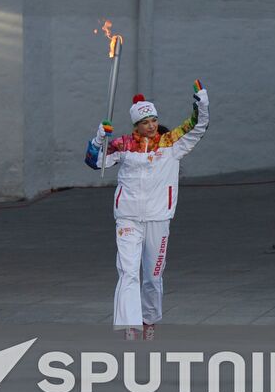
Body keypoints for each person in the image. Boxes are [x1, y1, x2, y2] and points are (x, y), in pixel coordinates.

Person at [85, 81, 209, 339]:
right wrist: (99, 139)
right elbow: (94, 162)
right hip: (128, 218)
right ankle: (130, 324)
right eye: (145, 122)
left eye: (154, 120)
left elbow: (197, 126)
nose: (151, 125)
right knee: (128, 272)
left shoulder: (171, 144)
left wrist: (202, 104)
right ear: (136, 125)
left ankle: (148, 319)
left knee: (153, 276)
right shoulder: (123, 146)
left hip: (158, 218)